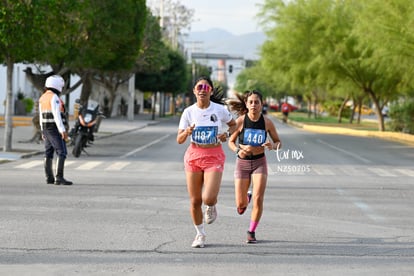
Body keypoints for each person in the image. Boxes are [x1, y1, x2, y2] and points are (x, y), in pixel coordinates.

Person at [177, 76, 236, 248]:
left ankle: (211, 206)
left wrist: (226, 135)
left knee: (208, 198)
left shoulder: (219, 110)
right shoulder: (188, 112)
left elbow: (234, 126)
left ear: (210, 91)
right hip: (194, 156)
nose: (202, 89)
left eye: (206, 87)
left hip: (214, 155)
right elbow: (179, 139)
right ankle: (200, 234)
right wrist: (187, 131)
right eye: (199, 86)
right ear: (194, 91)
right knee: (195, 201)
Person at [228, 90, 282, 243]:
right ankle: (246, 197)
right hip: (242, 163)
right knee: (240, 205)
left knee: (258, 199)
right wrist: (239, 150)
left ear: (261, 104)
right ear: (246, 104)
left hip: (259, 162)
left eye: (256, 102)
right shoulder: (240, 121)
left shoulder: (267, 122)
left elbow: (279, 143)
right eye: (250, 102)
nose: (253, 105)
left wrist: (272, 146)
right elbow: (230, 142)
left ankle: (251, 232)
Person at [39, 75, 73, 185]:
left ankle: (49, 178)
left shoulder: (43, 97)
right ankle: (59, 177)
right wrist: (62, 130)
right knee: (61, 151)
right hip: (54, 129)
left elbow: (40, 115)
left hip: (46, 129)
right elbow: (57, 115)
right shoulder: (54, 97)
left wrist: (42, 130)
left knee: (48, 152)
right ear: (57, 86)